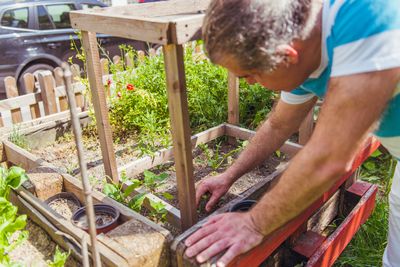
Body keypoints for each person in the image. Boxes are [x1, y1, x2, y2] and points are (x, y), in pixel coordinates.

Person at [183, 0, 400, 266]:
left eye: (249, 75)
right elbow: (278, 125)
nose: (251, 83)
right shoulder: (305, 51)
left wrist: (253, 223)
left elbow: (329, 157)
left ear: (287, 56)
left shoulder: (368, 19)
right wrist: (228, 176)